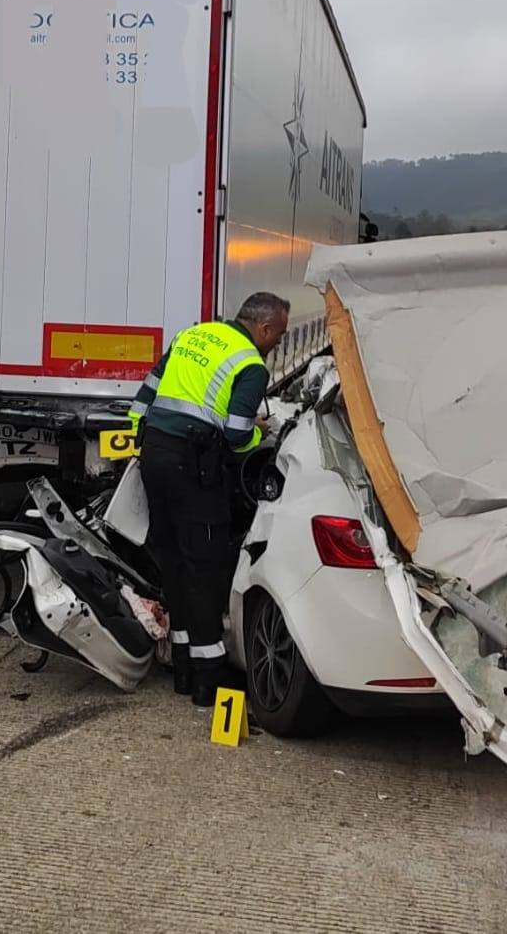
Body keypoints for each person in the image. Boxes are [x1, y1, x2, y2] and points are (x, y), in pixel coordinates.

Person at [129, 292, 290, 706]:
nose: (277, 344)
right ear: (265, 328)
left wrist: (141, 436)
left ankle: (182, 669)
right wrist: (262, 433)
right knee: (206, 568)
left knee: (175, 563)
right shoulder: (251, 366)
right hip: (194, 470)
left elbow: (148, 391)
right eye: (279, 335)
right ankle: (209, 681)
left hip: (155, 455)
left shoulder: (193, 335)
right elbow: (237, 437)